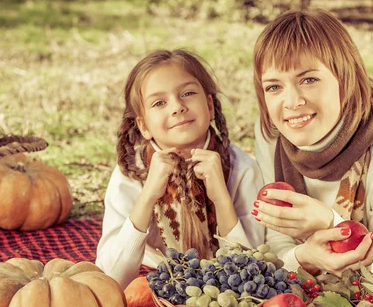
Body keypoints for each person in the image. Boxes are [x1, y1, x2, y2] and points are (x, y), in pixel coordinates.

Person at [252, 9, 373, 276]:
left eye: (309, 79)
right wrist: (303, 257)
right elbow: (276, 242)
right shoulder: (273, 134)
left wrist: (328, 224)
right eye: (274, 87)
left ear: (344, 78)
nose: (291, 102)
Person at [97, 49, 264, 289]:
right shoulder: (131, 173)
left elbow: (251, 275)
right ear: (143, 126)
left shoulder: (243, 168)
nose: (177, 107)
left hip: (221, 291)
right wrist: (147, 198)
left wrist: (221, 199)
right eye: (159, 102)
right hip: (155, 284)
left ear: (210, 105)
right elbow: (110, 278)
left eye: (187, 93)